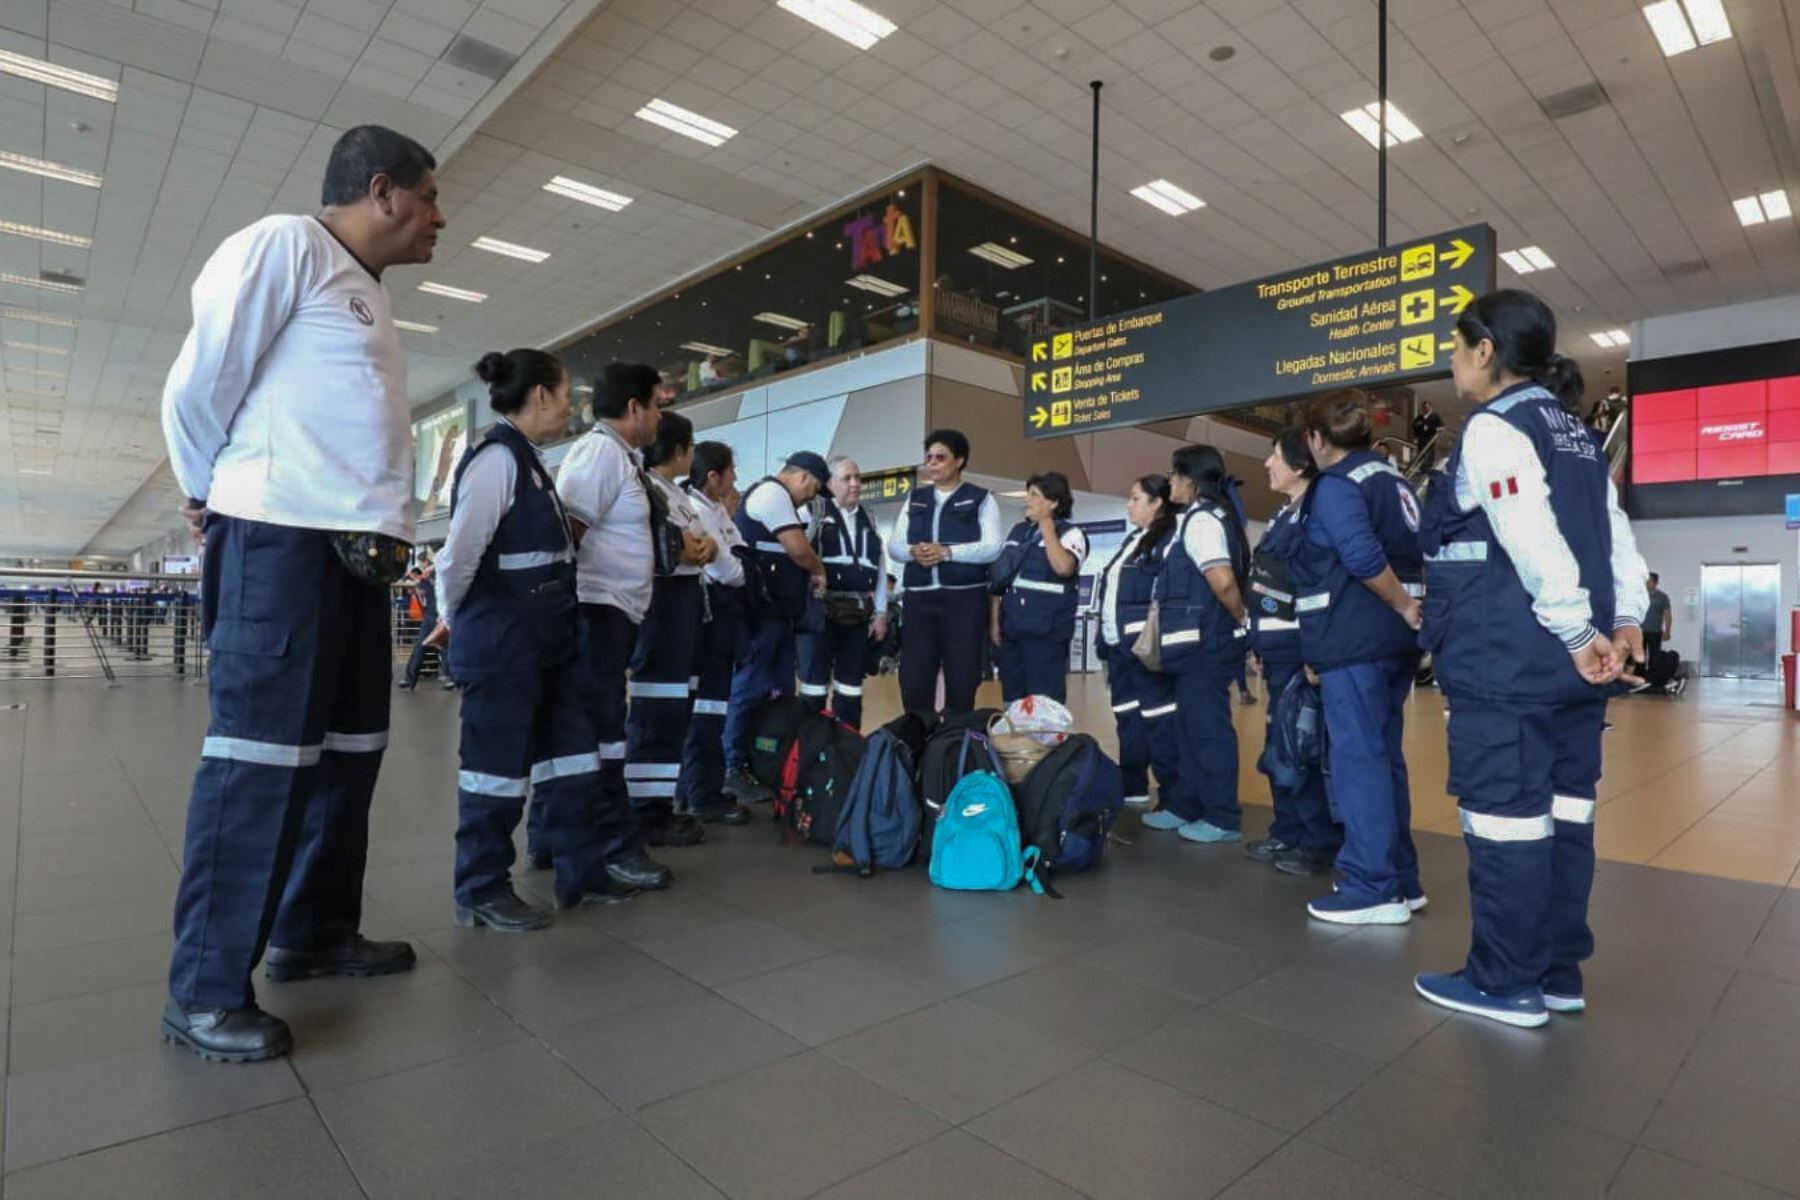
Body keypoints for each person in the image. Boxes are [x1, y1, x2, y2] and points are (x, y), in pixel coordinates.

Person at [159, 126, 443, 1063]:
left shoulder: (367, 293)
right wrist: (212, 494)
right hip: (279, 540)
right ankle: (203, 992)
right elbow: (198, 384)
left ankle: (312, 931)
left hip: (355, 558)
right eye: (430, 196)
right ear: (382, 190)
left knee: (351, 751)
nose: (440, 216)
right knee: (257, 764)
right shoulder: (287, 244)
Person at [1413, 288, 1647, 1027]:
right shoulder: (1577, 434)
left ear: (1486, 349)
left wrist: (1580, 635)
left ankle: (1504, 982)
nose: (1453, 361)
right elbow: (1614, 536)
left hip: (1509, 664)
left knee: (1506, 821)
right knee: (1567, 820)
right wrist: (1628, 620)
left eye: (1456, 346)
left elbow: (1533, 540)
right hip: (1573, 678)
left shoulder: (1495, 429)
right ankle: (1556, 973)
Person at [431, 350, 668, 932]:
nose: (571, 409)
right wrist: (453, 618)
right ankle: (481, 888)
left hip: (549, 643)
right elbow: (458, 557)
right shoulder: (496, 461)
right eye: (565, 396)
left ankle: (579, 873)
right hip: (504, 644)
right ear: (539, 395)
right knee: (494, 770)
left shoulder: (532, 461)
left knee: (573, 759)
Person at [556, 362, 703, 870]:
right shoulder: (600, 454)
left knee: (598, 729)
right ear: (635, 407)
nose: (662, 417)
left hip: (616, 613)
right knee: (598, 732)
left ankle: (571, 842)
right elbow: (568, 535)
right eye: (658, 405)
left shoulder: (621, 458)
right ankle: (603, 847)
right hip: (597, 611)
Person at [1289, 390, 1427, 925]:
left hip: (1356, 640)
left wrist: (1403, 603)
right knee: (1384, 757)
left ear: (1317, 440)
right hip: (1391, 643)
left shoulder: (1338, 487)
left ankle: (1372, 885)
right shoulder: (1393, 480)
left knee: (1358, 760)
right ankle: (1402, 879)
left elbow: (1361, 554)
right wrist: (1408, 612)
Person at [1141, 445, 1250, 844]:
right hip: (1189, 650)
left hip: (1208, 645)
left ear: (1190, 478)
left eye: (1174, 474)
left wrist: (1241, 620)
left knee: (1207, 730)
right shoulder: (1193, 519)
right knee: (1187, 728)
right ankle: (1185, 804)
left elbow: (1222, 582)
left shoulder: (1204, 521)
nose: (1170, 481)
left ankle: (1222, 816)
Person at [1244, 429, 1341, 875]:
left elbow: (1317, 586)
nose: (1268, 465)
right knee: (1278, 745)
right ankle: (1287, 831)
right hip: (1276, 650)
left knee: (1300, 745)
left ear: (1300, 466)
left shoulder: (1315, 516)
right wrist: (1258, 644)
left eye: (1275, 457)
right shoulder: (1285, 515)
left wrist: (1316, 651)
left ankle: (1316, 841)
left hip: (1301, 650)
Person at [622, 411, 715, 847]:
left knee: (674, 712)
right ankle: (645, 814)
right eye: (690, 446)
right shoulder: (647, 491)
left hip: (683, 616)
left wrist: (701, 547)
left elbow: (704, 545)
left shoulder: (673, 495)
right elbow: (684, 549)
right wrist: (697, 548)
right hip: (661, 615)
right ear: (678, 451)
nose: (692, 454)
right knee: (654, 716)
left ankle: (660, 808)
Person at [721, 452, 830, 801]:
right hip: (761, 615)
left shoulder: (783, 501)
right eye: (814, 488)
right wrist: (819, 570)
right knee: (749, 686)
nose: (812, 497)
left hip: (779, 615)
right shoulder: (772, 495)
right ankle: (731, 766)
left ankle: (770, 760)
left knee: (779, 691)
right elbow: (799, 550)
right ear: (803, 477)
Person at [889, 429, 1004, 715]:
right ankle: (918, 743)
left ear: (959, 461)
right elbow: (894, 546)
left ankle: (955, 742)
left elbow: (993, 547)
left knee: (963, 678)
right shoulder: (915, 499)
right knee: (914, 680)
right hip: (919, 601)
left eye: (940, 457)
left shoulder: (981, 499)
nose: (933, 463)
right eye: (928, 458)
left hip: (963, 602)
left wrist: (948, 552)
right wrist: (913, 552)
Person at [1089, 475, 1182, 808]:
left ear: (1157, 503)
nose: (1129, 505)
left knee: (1159, 720)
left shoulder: (1168, 540)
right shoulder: (1134, 539)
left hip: (1145, 647)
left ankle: (1174, 796)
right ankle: (1133, 788)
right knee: (1127, 718)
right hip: (1118, 648)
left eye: (1135, 499)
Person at [677, 441, 751, 825]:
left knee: (712, 709)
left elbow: (739, 551)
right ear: (713, 476)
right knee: (704, 711)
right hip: (706, 624)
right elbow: (732, 569)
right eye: (731, 470)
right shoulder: (694, 511)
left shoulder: (718, 510)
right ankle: (700, 795)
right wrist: (735, 559)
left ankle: (698, 789)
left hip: (720, 625)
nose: (735, 477)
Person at [798, 457, 888, 729]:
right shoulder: (813, 512)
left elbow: (881, 567)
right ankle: (807, 750)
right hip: (821, 613)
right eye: (847, 478)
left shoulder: (868, 517)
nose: (855, 484)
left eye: (858, 477)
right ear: (830, 483)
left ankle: (847, 748)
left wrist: (881, 612)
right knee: (814, 685)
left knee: (851, 687)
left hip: (858, 614)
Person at [991, 471, 1087, 703]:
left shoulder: (1071, 533)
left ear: (1054, 502)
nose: (1027, 500)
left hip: (1046, 634)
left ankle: (1043, 739)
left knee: (1043, 701)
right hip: (1012, 629)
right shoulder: (1018, 531)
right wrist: (995, 621)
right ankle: (1015, 739)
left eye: (1035, 495)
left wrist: (1047, 527)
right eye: (1028, 494)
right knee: (1013, 700)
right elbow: (999, 579)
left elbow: (1064, 567)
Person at [398, 550, 442, 689]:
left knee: (425, 645)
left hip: (436, 612)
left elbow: (422, 587)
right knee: (437, 645)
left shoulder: (433, 571)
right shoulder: (434, 571)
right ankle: (450, 677)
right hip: (435, 612)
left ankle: (410, 678)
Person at [1643, 572, 1670, 663]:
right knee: (1639, 657)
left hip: (1655, 632)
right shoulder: (1639, 595)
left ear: (1656, 582)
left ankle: (1653, 676)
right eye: (1646, 581)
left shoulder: (1662, 597)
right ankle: (1640, 676)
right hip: (1639, 631)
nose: (1648, 583)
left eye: (1650, 581)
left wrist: (1667, 631)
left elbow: (1667, 615)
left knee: (1654, 657)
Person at [1411, 399, 1445, 470]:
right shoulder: (1420, 417)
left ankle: (1428, 468)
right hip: (1421, 439)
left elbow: (1441, 426)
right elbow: (1414, 425)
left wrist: (1434, 428)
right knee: (1421, 454)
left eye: (1427, 407)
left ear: (1430, 407)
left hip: (1430, 439)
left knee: (1429, 454)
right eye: (1425, 407)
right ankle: (1421, 468)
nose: (1426, 409)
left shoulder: (1435, 416)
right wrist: (1416, 436)